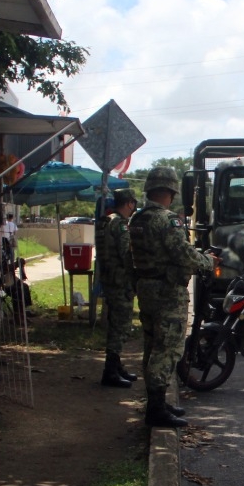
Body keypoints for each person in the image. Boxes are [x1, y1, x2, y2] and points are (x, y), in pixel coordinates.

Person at [129, 166, 213, 428]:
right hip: (168, 292)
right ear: (170, 190)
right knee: (167, 349)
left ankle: (158, 402)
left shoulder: (137, 219)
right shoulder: (167, 220)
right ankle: (155, 410)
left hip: (147, 289)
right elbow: (182, 254)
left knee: (153, 346)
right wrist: (207, 261)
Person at [97, 188, 139, 388]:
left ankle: (116, 366)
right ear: (129, 203)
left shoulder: (109, 220)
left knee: (118, 323)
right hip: (120, 281)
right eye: (133, 203)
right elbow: (127, 254)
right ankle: (110, 371)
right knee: (119, 326)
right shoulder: (120, 225)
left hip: (112, 279)